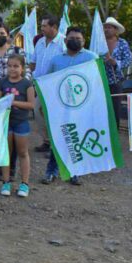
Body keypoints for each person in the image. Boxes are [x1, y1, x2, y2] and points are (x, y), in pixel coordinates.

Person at [43, 26, 98, 186]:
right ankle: (51, 171)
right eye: (71, 38)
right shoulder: (56, 60)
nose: (74, 41)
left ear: (84, 41)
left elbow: (97, 82)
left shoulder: (92, 58)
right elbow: (48, 81)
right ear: (65, 40)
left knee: (77, 138)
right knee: (58, 139)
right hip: (60, 108)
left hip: (82, 107)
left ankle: (75, 172)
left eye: (78, 39)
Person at [0, 23, 28, 180]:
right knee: (1, 133)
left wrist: (23, 88)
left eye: (2, 33)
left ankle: (12, 168)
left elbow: (27, 70)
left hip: (16, 96)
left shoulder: (17, 51)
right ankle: (1, 167)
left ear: (8, 34)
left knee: (15, 135)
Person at [0, 54, 36, 197]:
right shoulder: (2, 83)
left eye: (16, 66)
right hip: (6, 124)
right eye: (10, 66)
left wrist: (13, 102)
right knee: (6, 153)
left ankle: (24, 184)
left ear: (22, 68)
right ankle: (6, 182)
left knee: (23, 153)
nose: (12, 69)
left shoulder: (27, 84)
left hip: (21, 123)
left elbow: (31, 105)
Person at [30, 14, 65, 153]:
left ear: (54, 27)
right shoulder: (39, 42)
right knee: (37, 111)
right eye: (41, 25)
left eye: (44, 26)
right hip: (39, 85)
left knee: (54, 116)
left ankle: (56, 146)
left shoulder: (63, 43)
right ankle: (47, 141)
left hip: (56, 87)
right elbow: (33, 62)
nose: (41, 28)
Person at [102, 17, 132, 127]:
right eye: (105, 27)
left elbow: (128, 61)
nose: (106, 29)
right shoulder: (99, 42)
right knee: (100, 109)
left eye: (109, 27)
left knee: (115, 109)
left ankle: (114, 137)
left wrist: (116, 63)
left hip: (116, 81)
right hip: (99, 80)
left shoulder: (122, 43)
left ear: (115, 30)